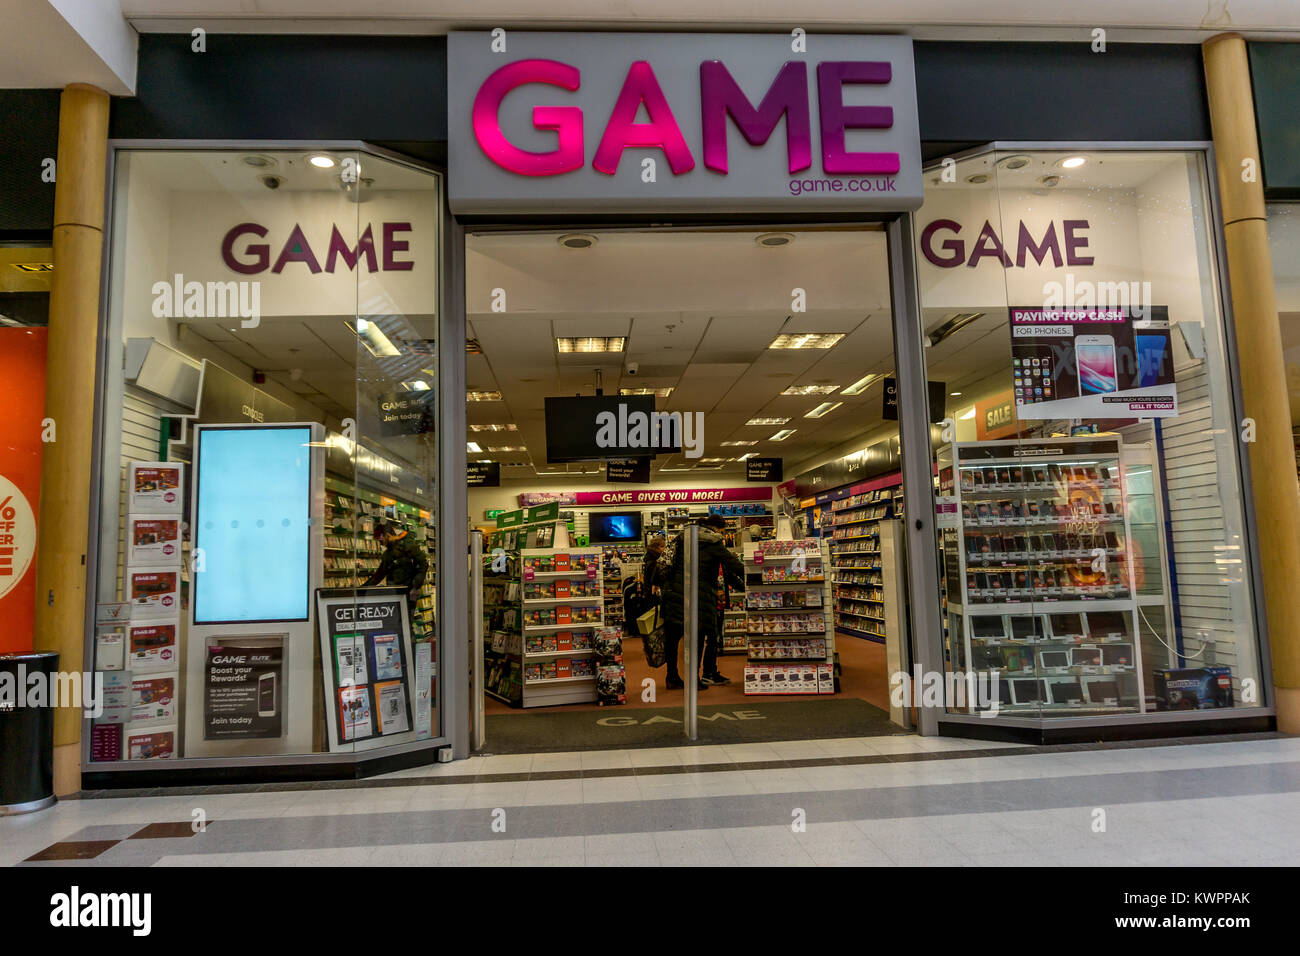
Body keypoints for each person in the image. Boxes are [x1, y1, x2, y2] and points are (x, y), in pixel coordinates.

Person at [661, 514, 745, 689]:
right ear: (715, 529)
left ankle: (672, 677)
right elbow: (733, 564)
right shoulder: (713, 543)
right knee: (697, 639)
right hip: (697, 599)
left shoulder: (681, 538)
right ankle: (693, 679)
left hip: (673, 595)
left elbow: (665, 563)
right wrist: (756, 576)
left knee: (672, 639)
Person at [362, 519, 429, 606]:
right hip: (395, 595)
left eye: (380, 539)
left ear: (387, 535)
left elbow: (423, 565)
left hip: (409, 593)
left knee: (407, 617)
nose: (380, 543)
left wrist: (415, 587)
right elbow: (379, 575)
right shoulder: (387, 554)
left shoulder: (408, 546)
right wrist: (363, 588)